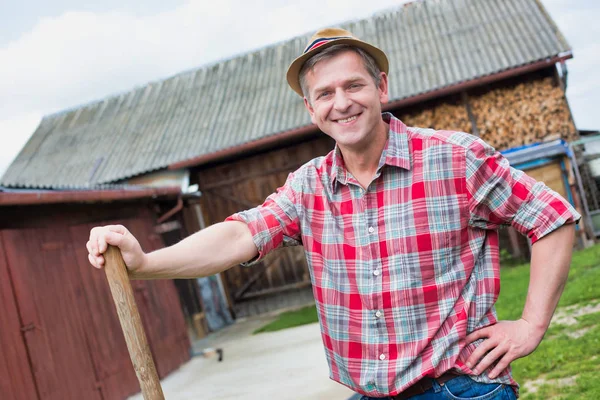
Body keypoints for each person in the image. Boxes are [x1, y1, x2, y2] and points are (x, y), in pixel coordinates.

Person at [87, 28, 580, 399]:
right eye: (325, 94)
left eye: (353, 86)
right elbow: (239, 236)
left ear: (381, 87)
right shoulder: (309, 187)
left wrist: (531, 325)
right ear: (310, 108)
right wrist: (145, 263)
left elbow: (552, 218)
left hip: (458, 388)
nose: (341, 103)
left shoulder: (456, 159)